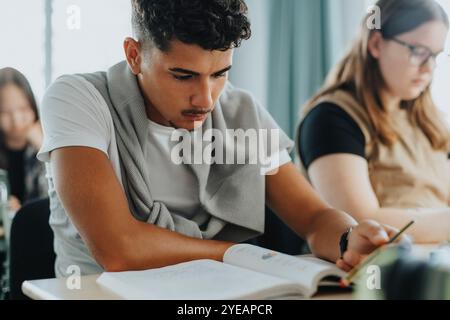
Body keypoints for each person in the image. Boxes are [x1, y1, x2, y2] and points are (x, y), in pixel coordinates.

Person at [38, 0, 400, 278]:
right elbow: (118, 249)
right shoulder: (77, 98)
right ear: (134, 55)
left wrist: (348, 238)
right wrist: (240, 254)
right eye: (183, 76)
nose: (206, 99)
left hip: (215, 296)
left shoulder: (240, 110)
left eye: (220, 74)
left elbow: (314, 216)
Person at [297, 0, 450, 243]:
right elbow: (361, 223)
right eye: (419, 52)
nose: (428, 68)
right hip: (376, 270)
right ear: (376, 44)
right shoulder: (330, 118)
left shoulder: (430, 124)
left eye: (435, 56)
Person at [0, 67, 47, 212]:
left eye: (23, 109)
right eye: (5, 112)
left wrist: (44, 147)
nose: (16, 120)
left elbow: (59, 200)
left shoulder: (46, 142)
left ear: (33, 106)